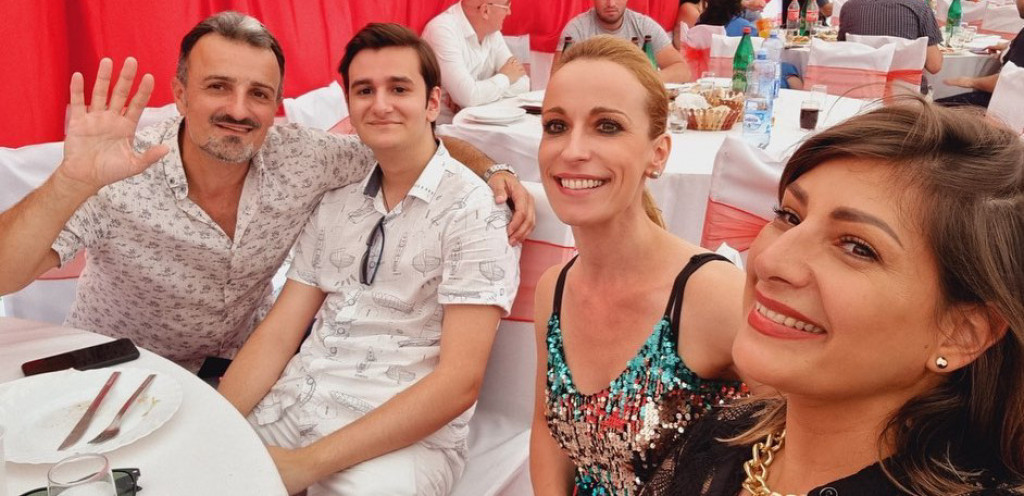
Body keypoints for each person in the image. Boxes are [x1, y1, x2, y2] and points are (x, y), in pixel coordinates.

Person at [0, 12, 534, 372]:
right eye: (218, 87)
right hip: (119, 368)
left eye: (258, 94)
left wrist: (490, 168)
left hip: (238, 368)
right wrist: (70, 182)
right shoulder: (120, 170)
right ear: (180, 95)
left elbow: (410, 143)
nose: (239, 109)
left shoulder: (300, 155)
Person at [641, 100, 1024, 495]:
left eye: (857, 247)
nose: (771, 260)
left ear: (962, 333)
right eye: (789, 216)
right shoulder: (720, 439)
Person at [217, 23, 520, 495]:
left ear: (432, 103)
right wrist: (214, 422)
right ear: (350, 104)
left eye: (398, 89)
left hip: (402, 436)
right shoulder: (335, 201)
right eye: (365, 90)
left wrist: (304, 466)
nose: (380, 104)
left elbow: (460, 381)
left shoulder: (473, 210)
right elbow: (278, 334)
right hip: (297, 401)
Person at [529, 36, 747, 496]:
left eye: (606, 126)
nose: (572, 150)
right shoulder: (555, 289)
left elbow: (799, 441)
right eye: (556, 126)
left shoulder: (710, 294)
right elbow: (548, 433)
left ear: (658, 153)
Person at [422, 0, 529, 124]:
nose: (509, 12)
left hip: (479, 124)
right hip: (444, 128)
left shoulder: (493, 33)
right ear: (485, 10)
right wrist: (505, 78)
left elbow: (523, 83)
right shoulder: (442, 30)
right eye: (506, 6)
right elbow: (468, 96)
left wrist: (472, 100)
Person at [553, 0, 692, 83]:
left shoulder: (644, 26)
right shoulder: (576, 29)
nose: (611, 3)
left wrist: (645, 80)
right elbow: (557, 78)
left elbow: (682, 70)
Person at [939, 0, 1024, 107]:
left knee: (933, 109)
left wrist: (970, 82)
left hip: (1004, 104)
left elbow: (1011, 82)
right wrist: (1008, 46)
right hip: (1009, 99)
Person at [839, 0, 943, 75]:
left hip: (859, 91)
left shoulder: (849, 7)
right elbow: (934, 66)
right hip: (905, 94)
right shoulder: (920, 8)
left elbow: (842, 52)